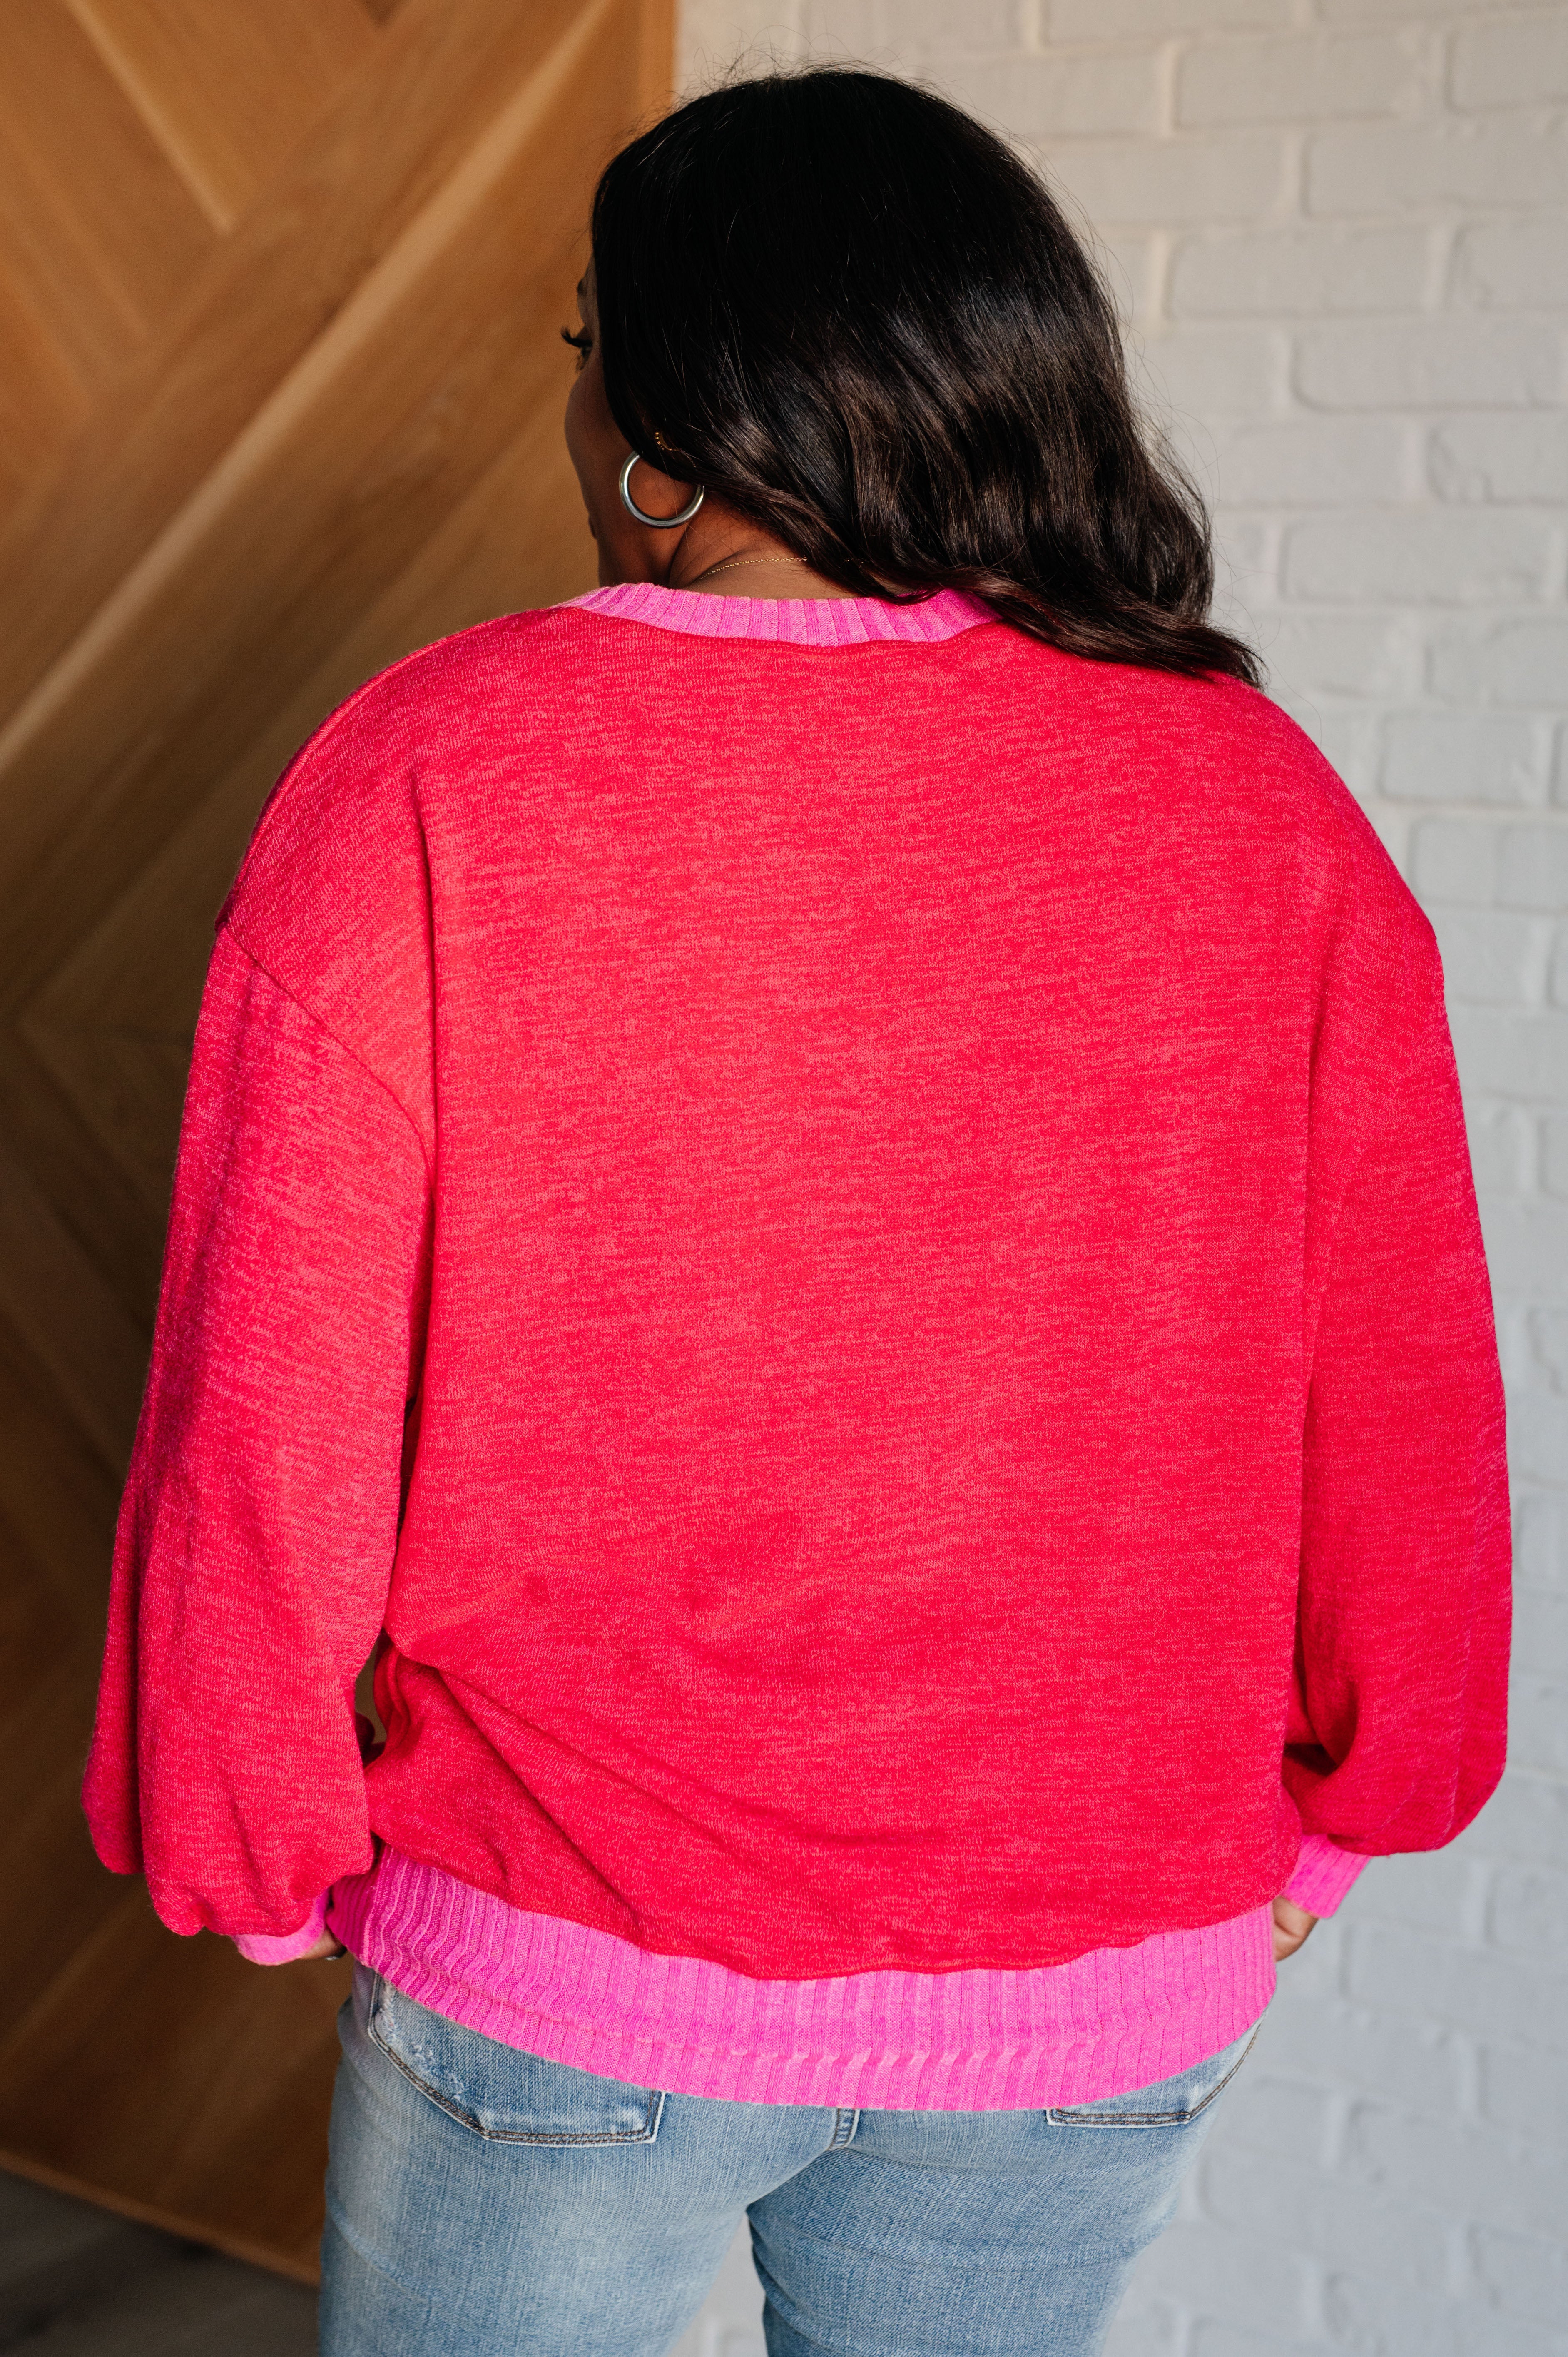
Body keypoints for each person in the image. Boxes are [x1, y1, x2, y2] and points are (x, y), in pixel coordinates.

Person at [84, 65, 1510, 2357]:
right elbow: (1407, 1381)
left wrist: (252, 1842)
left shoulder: (440, 769)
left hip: (560, 1961)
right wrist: (1361, 1807)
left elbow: (272, 1388)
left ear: (673, 417)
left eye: (588, 358)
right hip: (1095, 1984)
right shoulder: (1256, 807)